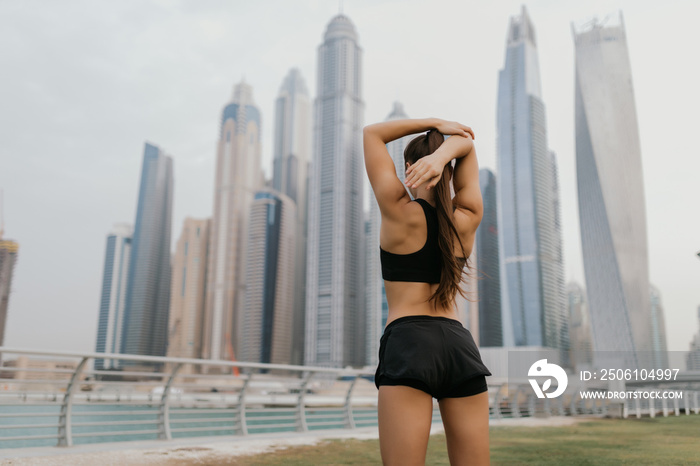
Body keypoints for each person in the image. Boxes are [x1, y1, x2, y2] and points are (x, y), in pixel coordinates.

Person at [363, 117, 491, 466]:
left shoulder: (399, 212)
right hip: (459, 346)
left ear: (410, 167)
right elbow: (467, 142)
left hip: (409, 344)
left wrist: (434, 122)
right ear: (449, 170)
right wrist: (444, 154)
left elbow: (372, 133)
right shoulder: (467, 217)